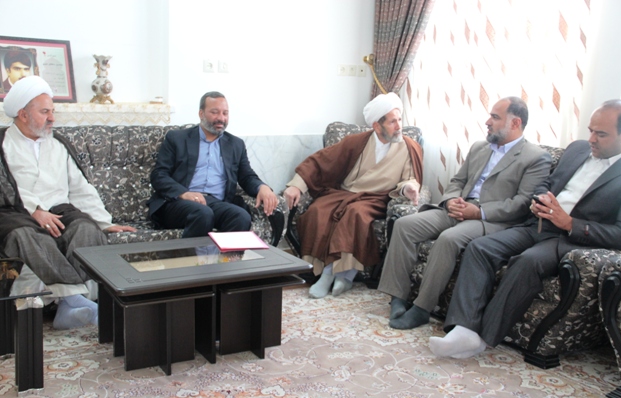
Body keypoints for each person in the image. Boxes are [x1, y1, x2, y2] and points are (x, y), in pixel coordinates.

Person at [429, 99, 621, 359]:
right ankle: (463, 329)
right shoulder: (578, 149)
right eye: (590, 130)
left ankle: (483, 338)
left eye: (601, 134)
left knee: (527, 261)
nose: (591, 139)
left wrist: (570, 223)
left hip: (569, 239)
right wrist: (540, 200)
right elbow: (546, 184)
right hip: (537, 223)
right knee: (480, 248)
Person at [378, 97, 551, 330]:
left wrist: (479, 212)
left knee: (449, 239)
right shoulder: (479, 147)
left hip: (492, 219)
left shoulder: (535, 157)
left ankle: (421, 309)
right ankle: (398, 297)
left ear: (515, 123)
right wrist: (451, 200)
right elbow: (458, 181)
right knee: (404, 225)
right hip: (459, 208)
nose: (487, 122)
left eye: (495, 117)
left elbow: (522, 203)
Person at [0, 76, 137, 329]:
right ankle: (73, 300)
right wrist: (35, 210)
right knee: (28, 236)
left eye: (53, 111)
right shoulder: (3, 143)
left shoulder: (58, 144)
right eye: (45, 112)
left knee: (86, 229)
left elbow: (80, 187)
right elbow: (6, 186)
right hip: (14, 211)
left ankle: (70, 306)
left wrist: (104, 223)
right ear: (23, 114)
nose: (52, 118)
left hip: (59, 209)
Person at [283, 92, 424, 299]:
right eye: (392, 122)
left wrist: (409, 188)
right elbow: (321, 161)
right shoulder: (356, 142)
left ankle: (333, 275)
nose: (399, 126)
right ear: (377, 126)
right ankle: (323, 271)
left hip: (376, 198)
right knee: (317, 211)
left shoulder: (409, 147)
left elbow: (409, 178)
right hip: (345, 193)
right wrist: (297, 186)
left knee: (355, 214)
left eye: (399, 120)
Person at [148, 91, 278, 238]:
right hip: (179, 202)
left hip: (216, 203)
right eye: (215, 112)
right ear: (201, 114)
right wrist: (184, 193)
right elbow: (159, 175)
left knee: (241, 216)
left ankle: (222, 254)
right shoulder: (177, 138)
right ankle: (190, 254)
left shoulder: (236, 144)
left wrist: (262, 187)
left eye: (225, 113)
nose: (221, 118)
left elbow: (246, 176)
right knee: (203, 213)